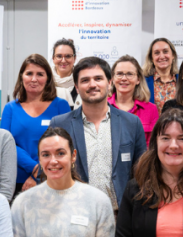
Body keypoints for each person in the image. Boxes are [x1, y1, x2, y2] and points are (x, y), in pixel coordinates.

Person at [50, 57, 147, 213]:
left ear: (109, 83)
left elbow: (142, 173)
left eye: (98, 78)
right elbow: (50, 170)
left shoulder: (131, 123)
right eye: (85, 80)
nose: (92, 84)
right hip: (74, 213)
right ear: (77, 87)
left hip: (119, 215)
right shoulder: (60, 124)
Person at [0, 54, 73, 196]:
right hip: (17, 182)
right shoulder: (10, 108)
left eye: (40, 74)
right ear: (22, 76)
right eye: (29, 74)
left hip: (53, 178)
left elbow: (66, 144)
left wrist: (38, 174)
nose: (34, 79)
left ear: (48, 78)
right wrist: (34, 168)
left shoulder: (61, 106)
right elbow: (6, 145)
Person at [107, 55, 158, 143]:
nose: (124, 78)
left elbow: (153, 145)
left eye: (129, 74)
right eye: (119, 74)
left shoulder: (151, 109)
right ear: (113, 79)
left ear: (138, 79)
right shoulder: (102, 106)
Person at [142, 38, 179, 109]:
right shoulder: (143, 82)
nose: (161, 56)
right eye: (157, 53)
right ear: (152, 58)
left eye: (165, 51)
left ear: (173, 55)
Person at [50, 38, 80, 106]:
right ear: (53, 58)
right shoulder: (45, 81)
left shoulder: (81, 81)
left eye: (68, 56)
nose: (63, 60)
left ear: (74, 58)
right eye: (59, 56)